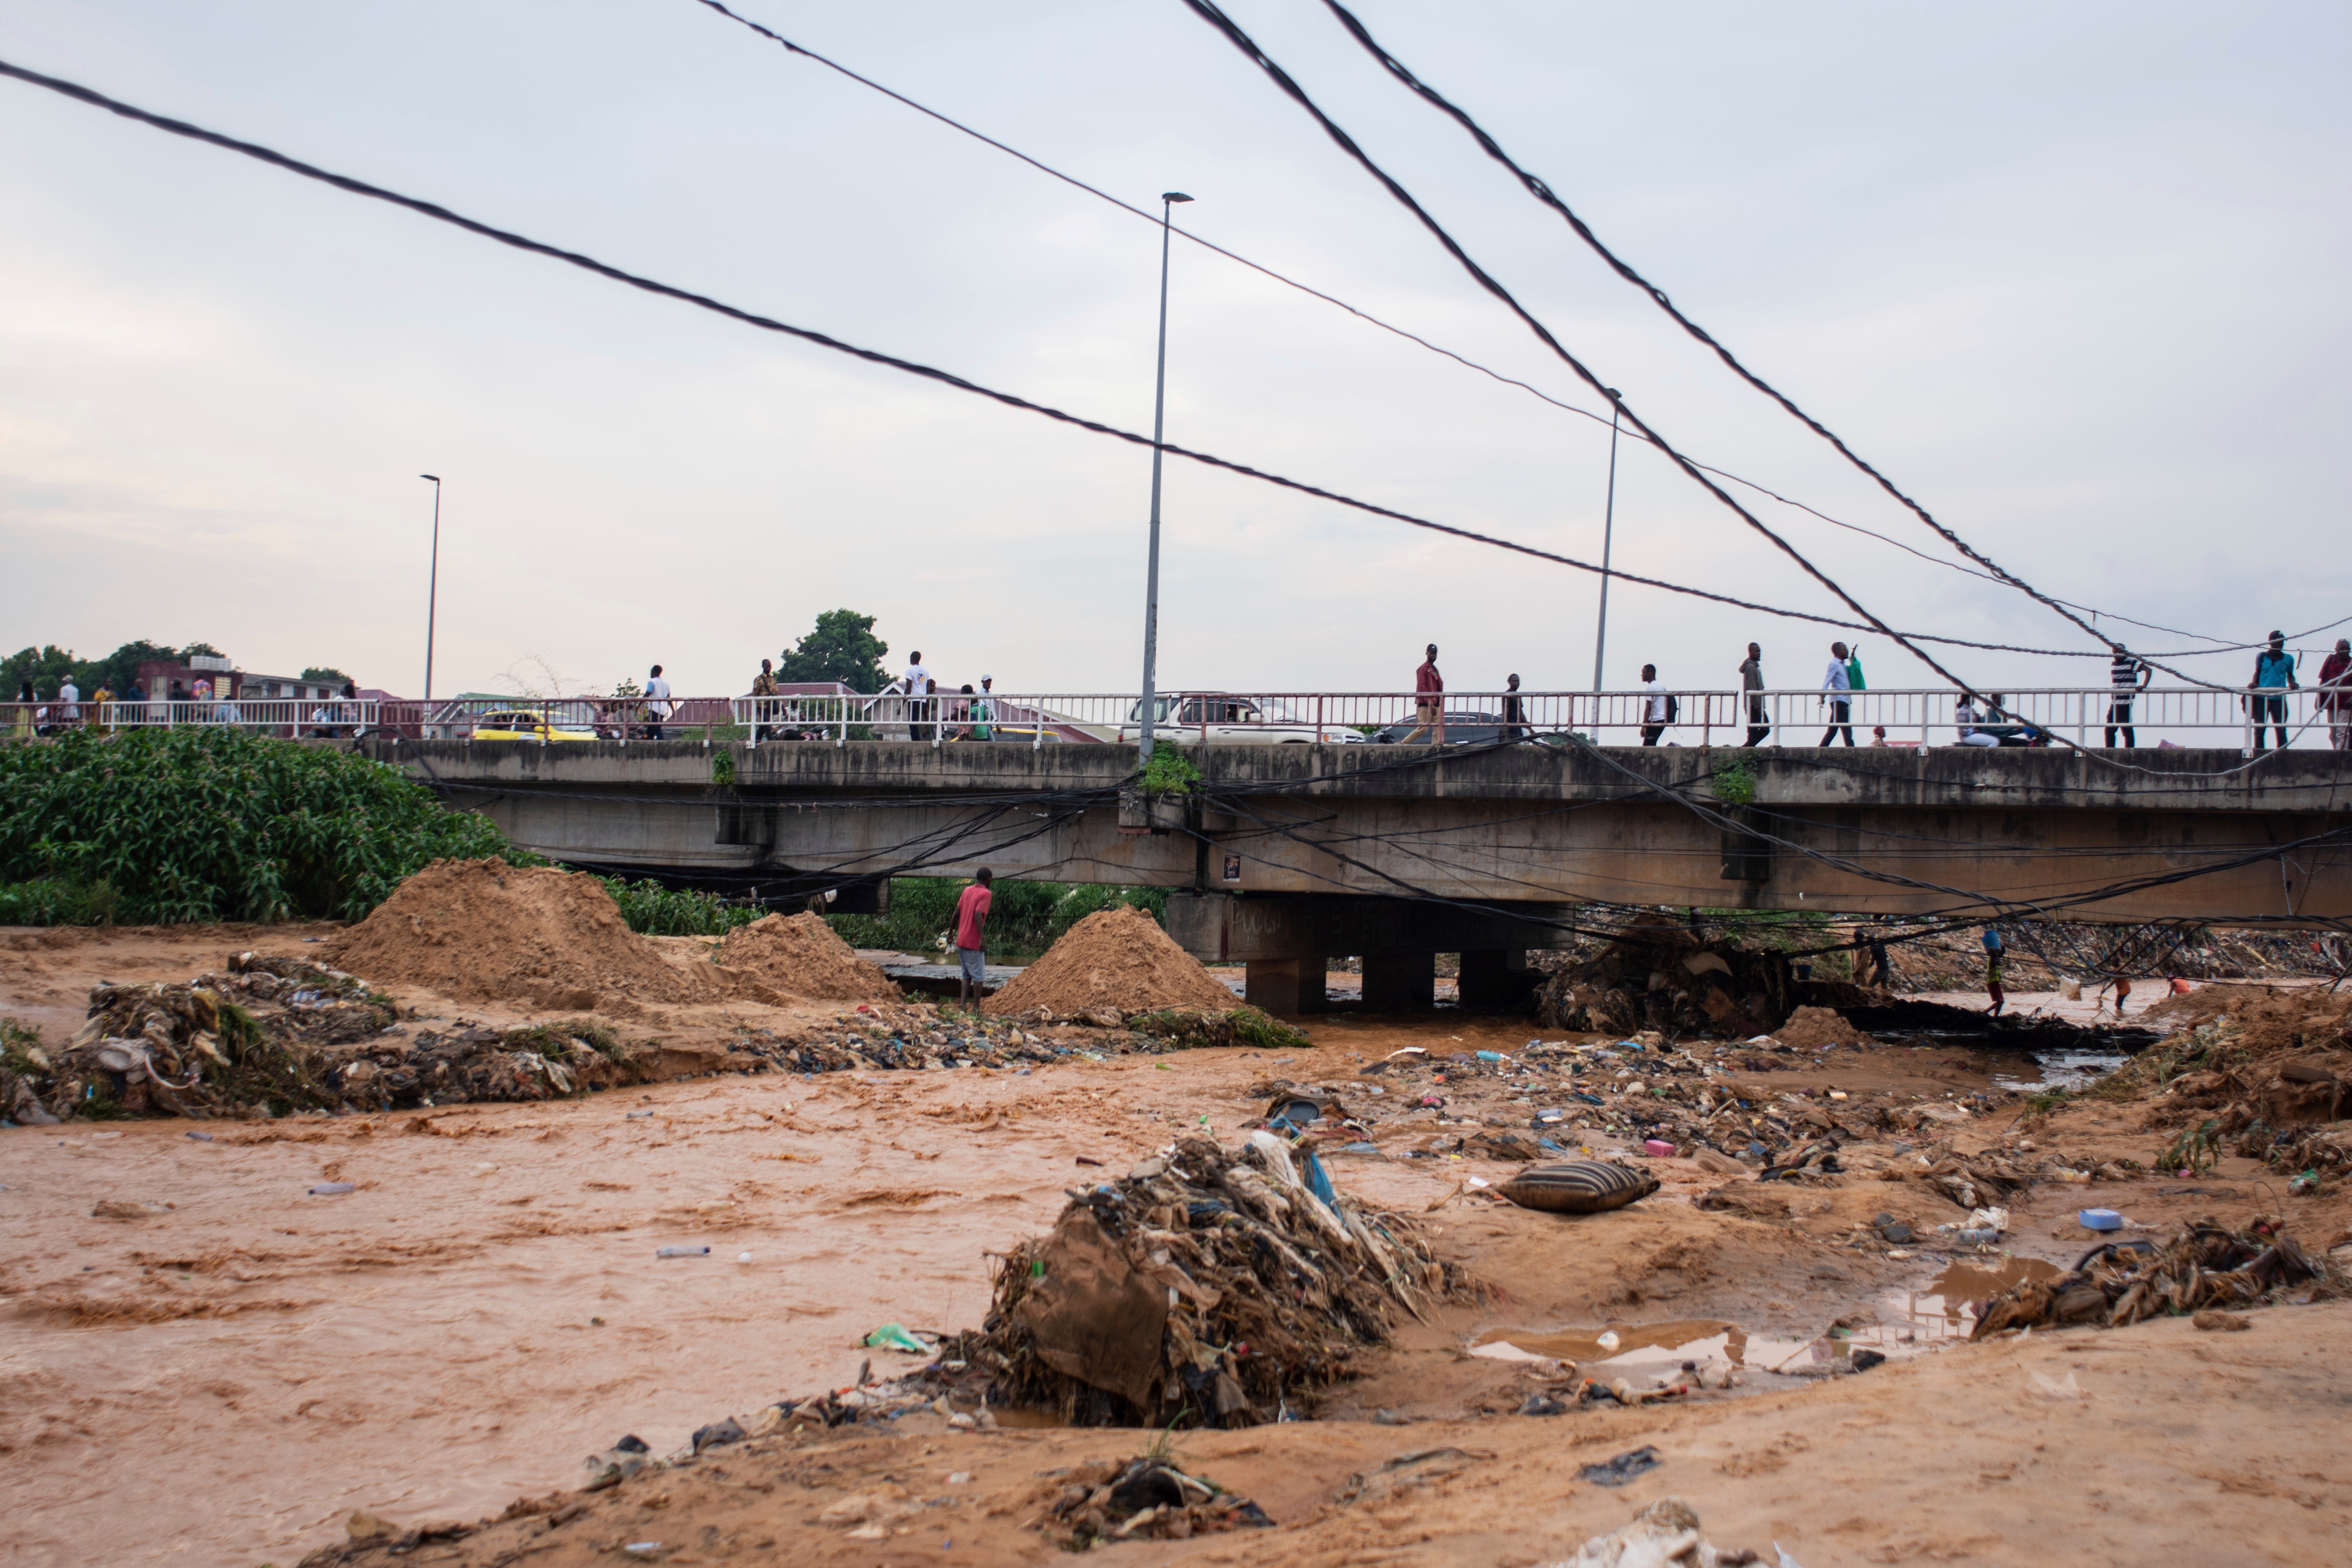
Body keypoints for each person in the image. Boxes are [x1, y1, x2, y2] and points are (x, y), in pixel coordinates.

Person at [2249, 631, 2297, 753]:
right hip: (2261, 698)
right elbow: (2257, 673)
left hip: (2279, 699)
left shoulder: (2288, 659)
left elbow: (2290, 676)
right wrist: (2254, 684)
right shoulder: (2262, 657)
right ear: (2271, 642)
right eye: (2278, 641)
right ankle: (2259, 755)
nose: (2281, 644)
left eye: (2282, 642)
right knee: (2259, 730)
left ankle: (2283, 755)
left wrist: (2293, 683)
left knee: (2281, 730)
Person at [953, 867, 994, 1008]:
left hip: (961, 940)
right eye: (991, 879)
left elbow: (957, 912)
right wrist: (982, 938)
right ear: (989, 879)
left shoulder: (967, 891)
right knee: (979, 977)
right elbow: (978, 914)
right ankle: (976, 1010)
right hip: (973, 942)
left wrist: (951, 933)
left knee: (966, 975)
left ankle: (963, 1006)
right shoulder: (986, 893)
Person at [2106, 642, 2150, 748]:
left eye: (2118, 651)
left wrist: (2144, 686)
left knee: (2126, 730)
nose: (2116, 653)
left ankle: (2129, 752)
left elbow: (2149, 670)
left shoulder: (2131, 662)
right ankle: (2110, 751)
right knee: (2110, 730)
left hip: (2125, 701)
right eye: (2114, 651)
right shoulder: (2114, 664)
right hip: (2115, 701)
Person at [1400, 644, 1445, 744]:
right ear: (1427, 653)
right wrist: (1430, 704)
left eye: (1435, 653)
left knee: (1439, 727)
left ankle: (1436, 747)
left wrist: (1437, 703)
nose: (1433, 655)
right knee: (1423, 728)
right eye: (1431, 653)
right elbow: (1422, 689)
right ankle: (1403, 744)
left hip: (1436, 703)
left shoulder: (1434, 669)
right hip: (1425, 703)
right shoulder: (1423, 669)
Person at [1818, 642, 1853, 746]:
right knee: (1846, 728)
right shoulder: (1834, 664)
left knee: (1833, 730)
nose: (1847, 651)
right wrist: (1822, 695)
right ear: (1837, 651)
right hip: (1839, 700)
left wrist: (1852, 659)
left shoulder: (1842, 665)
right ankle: (1852, 750)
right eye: (1844, 649)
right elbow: (1827, 681)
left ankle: (1822, 748)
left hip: (1843, 700)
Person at [2322, 639, 2352, 751]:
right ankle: (2336, 751)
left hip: (2346, 704)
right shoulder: (2330, 661)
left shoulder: (2351, 664)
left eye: (2347, 649)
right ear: (2336, 650)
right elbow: (2323, 680)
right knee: (2333, 733)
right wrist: (2319, 699)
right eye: (2342, 648)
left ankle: (2341, 755)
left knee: (2342, 732)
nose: (2345, 651)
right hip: (2331, 702)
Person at [1738, 642, 1769, 746]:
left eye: (1759, 651)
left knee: (1754, 735)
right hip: (1754, 706)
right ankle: (1746, 750)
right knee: (1764, 730)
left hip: (1754, 706)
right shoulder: (1751, 668)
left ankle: (1748, 749)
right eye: (1756, 651)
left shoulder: (1755, 667)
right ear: (1750, 652)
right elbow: (1752, 690)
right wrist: (1758, 707)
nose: (1759, 653)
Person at [902, 652, 935, 743]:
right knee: (917, 723)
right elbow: (928, 691)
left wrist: (902, 704)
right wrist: (926, 706)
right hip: (923, 701)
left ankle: (916, 743)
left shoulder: (910, 671)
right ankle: (918, 742)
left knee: (913, 724)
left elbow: (908, 689)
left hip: (914, 700)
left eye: (910, 658)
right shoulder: (926, 672)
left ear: (912, 659)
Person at [748, 657, 778, 743]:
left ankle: (756, 741)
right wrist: (754, 706)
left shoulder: (773, 679)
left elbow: (776, 692)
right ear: (763, 666)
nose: (769, 668)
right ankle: (772, 743)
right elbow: (755, 693)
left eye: (770, 666)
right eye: (767, 666)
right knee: (767, 724)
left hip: (770, 706)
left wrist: (779, 704)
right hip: (761, 705)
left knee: (763, 725)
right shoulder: (759, 679)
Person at [1639, 664, 1669, 745]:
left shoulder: (1651, 688)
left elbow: (1648, 708)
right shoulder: (1661, 686)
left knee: (1647, 747)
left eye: (1644, 673)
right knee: (1651, 745)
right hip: (1662, 720)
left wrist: (1644, 726)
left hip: (1654, 721)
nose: (1642, 675)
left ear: (1650, 674)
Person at [643, 664, 672, 741]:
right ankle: (647, 741)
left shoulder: (652, 682)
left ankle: (663, 743)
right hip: (662, 710)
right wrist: (673, 710)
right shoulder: (666, 684)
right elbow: (669, 698)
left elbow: (647, 694)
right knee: (650, 731)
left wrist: (638, 705)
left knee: (656, 728)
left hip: (654, 709)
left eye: (651, 671)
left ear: (653, 672)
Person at [1982, 925, 2006, 1017]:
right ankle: (1995, 1017)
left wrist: (1999, 952)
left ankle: (1985, 1013)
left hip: (1993, 982)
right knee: (2001, 1002)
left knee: (1999, 1002)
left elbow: (1998, 959)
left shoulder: (1995, 958)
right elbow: (1998, 962)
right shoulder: (1993, 959)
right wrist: (1996, 952)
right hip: (1993, 982)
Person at [1499, 673, 1528, 742]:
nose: (1516, 683)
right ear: (1509, 682)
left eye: (1518, 681)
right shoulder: (1508, 694)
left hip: (1518, 724)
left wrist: (1528, 726)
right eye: (1514, 681)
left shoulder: (1518, 696)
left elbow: (1521, 712)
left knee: (1519, 742)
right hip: (1511, 724)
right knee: (1512, 744)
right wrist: (1504, 725)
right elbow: (1505, 711)